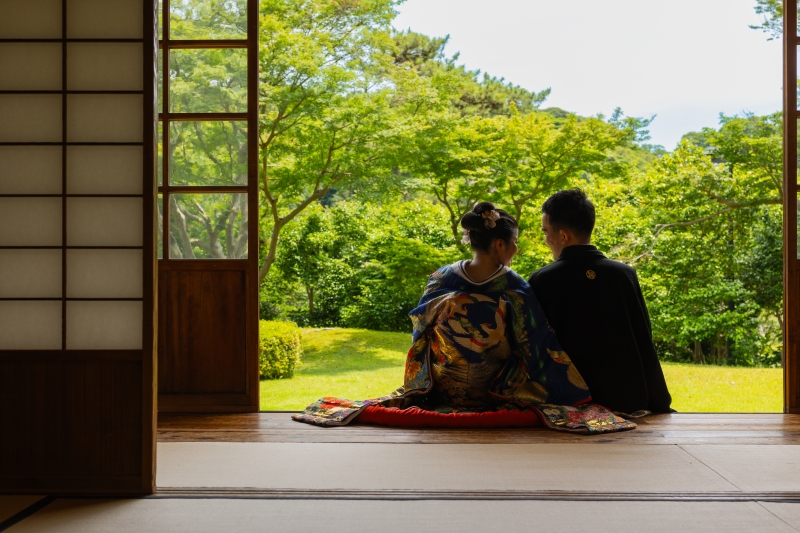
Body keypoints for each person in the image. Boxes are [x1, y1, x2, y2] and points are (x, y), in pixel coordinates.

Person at [292, 202, 636, 434]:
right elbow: (537, 344)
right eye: (514, 243)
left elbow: (420, 333)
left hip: (440, 389)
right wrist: (573, 393)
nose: (517, 249)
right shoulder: (515, 287)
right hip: (496, 393)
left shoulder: (442, 278)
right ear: (500, 245)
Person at [528, 189, 672, 414]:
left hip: (569, 404)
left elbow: (534, 348)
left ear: (563, 236)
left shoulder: (543, 280)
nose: (546, 239)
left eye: (546, 232)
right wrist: (658, 402)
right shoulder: (625, 275)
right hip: (626, 402)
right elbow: (644, 339)